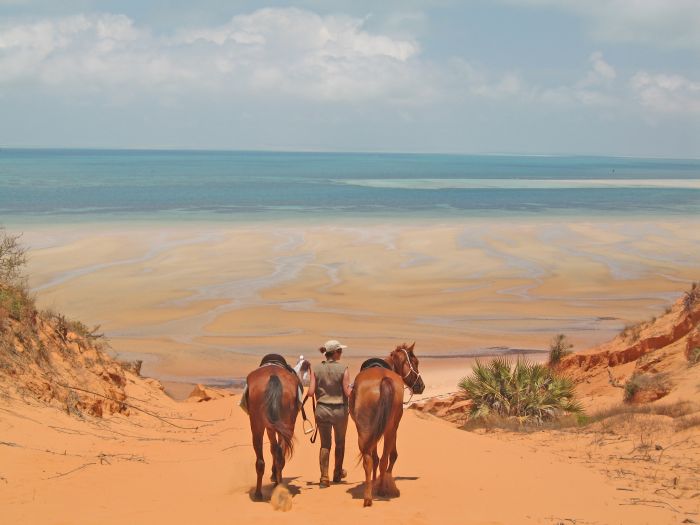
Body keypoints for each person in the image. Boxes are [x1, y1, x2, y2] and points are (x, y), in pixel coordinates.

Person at [306, 340, 352, 488]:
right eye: (340, 351)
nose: (342, 353)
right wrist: (355, 390)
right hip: (340, 411)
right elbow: (347, 392)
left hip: (322, 410)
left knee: (325, 445)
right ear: (336, 352)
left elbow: (311, 392)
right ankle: (337, 473)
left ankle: (324, 478)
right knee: (340, 443)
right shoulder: (343, 368)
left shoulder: (316, 368)